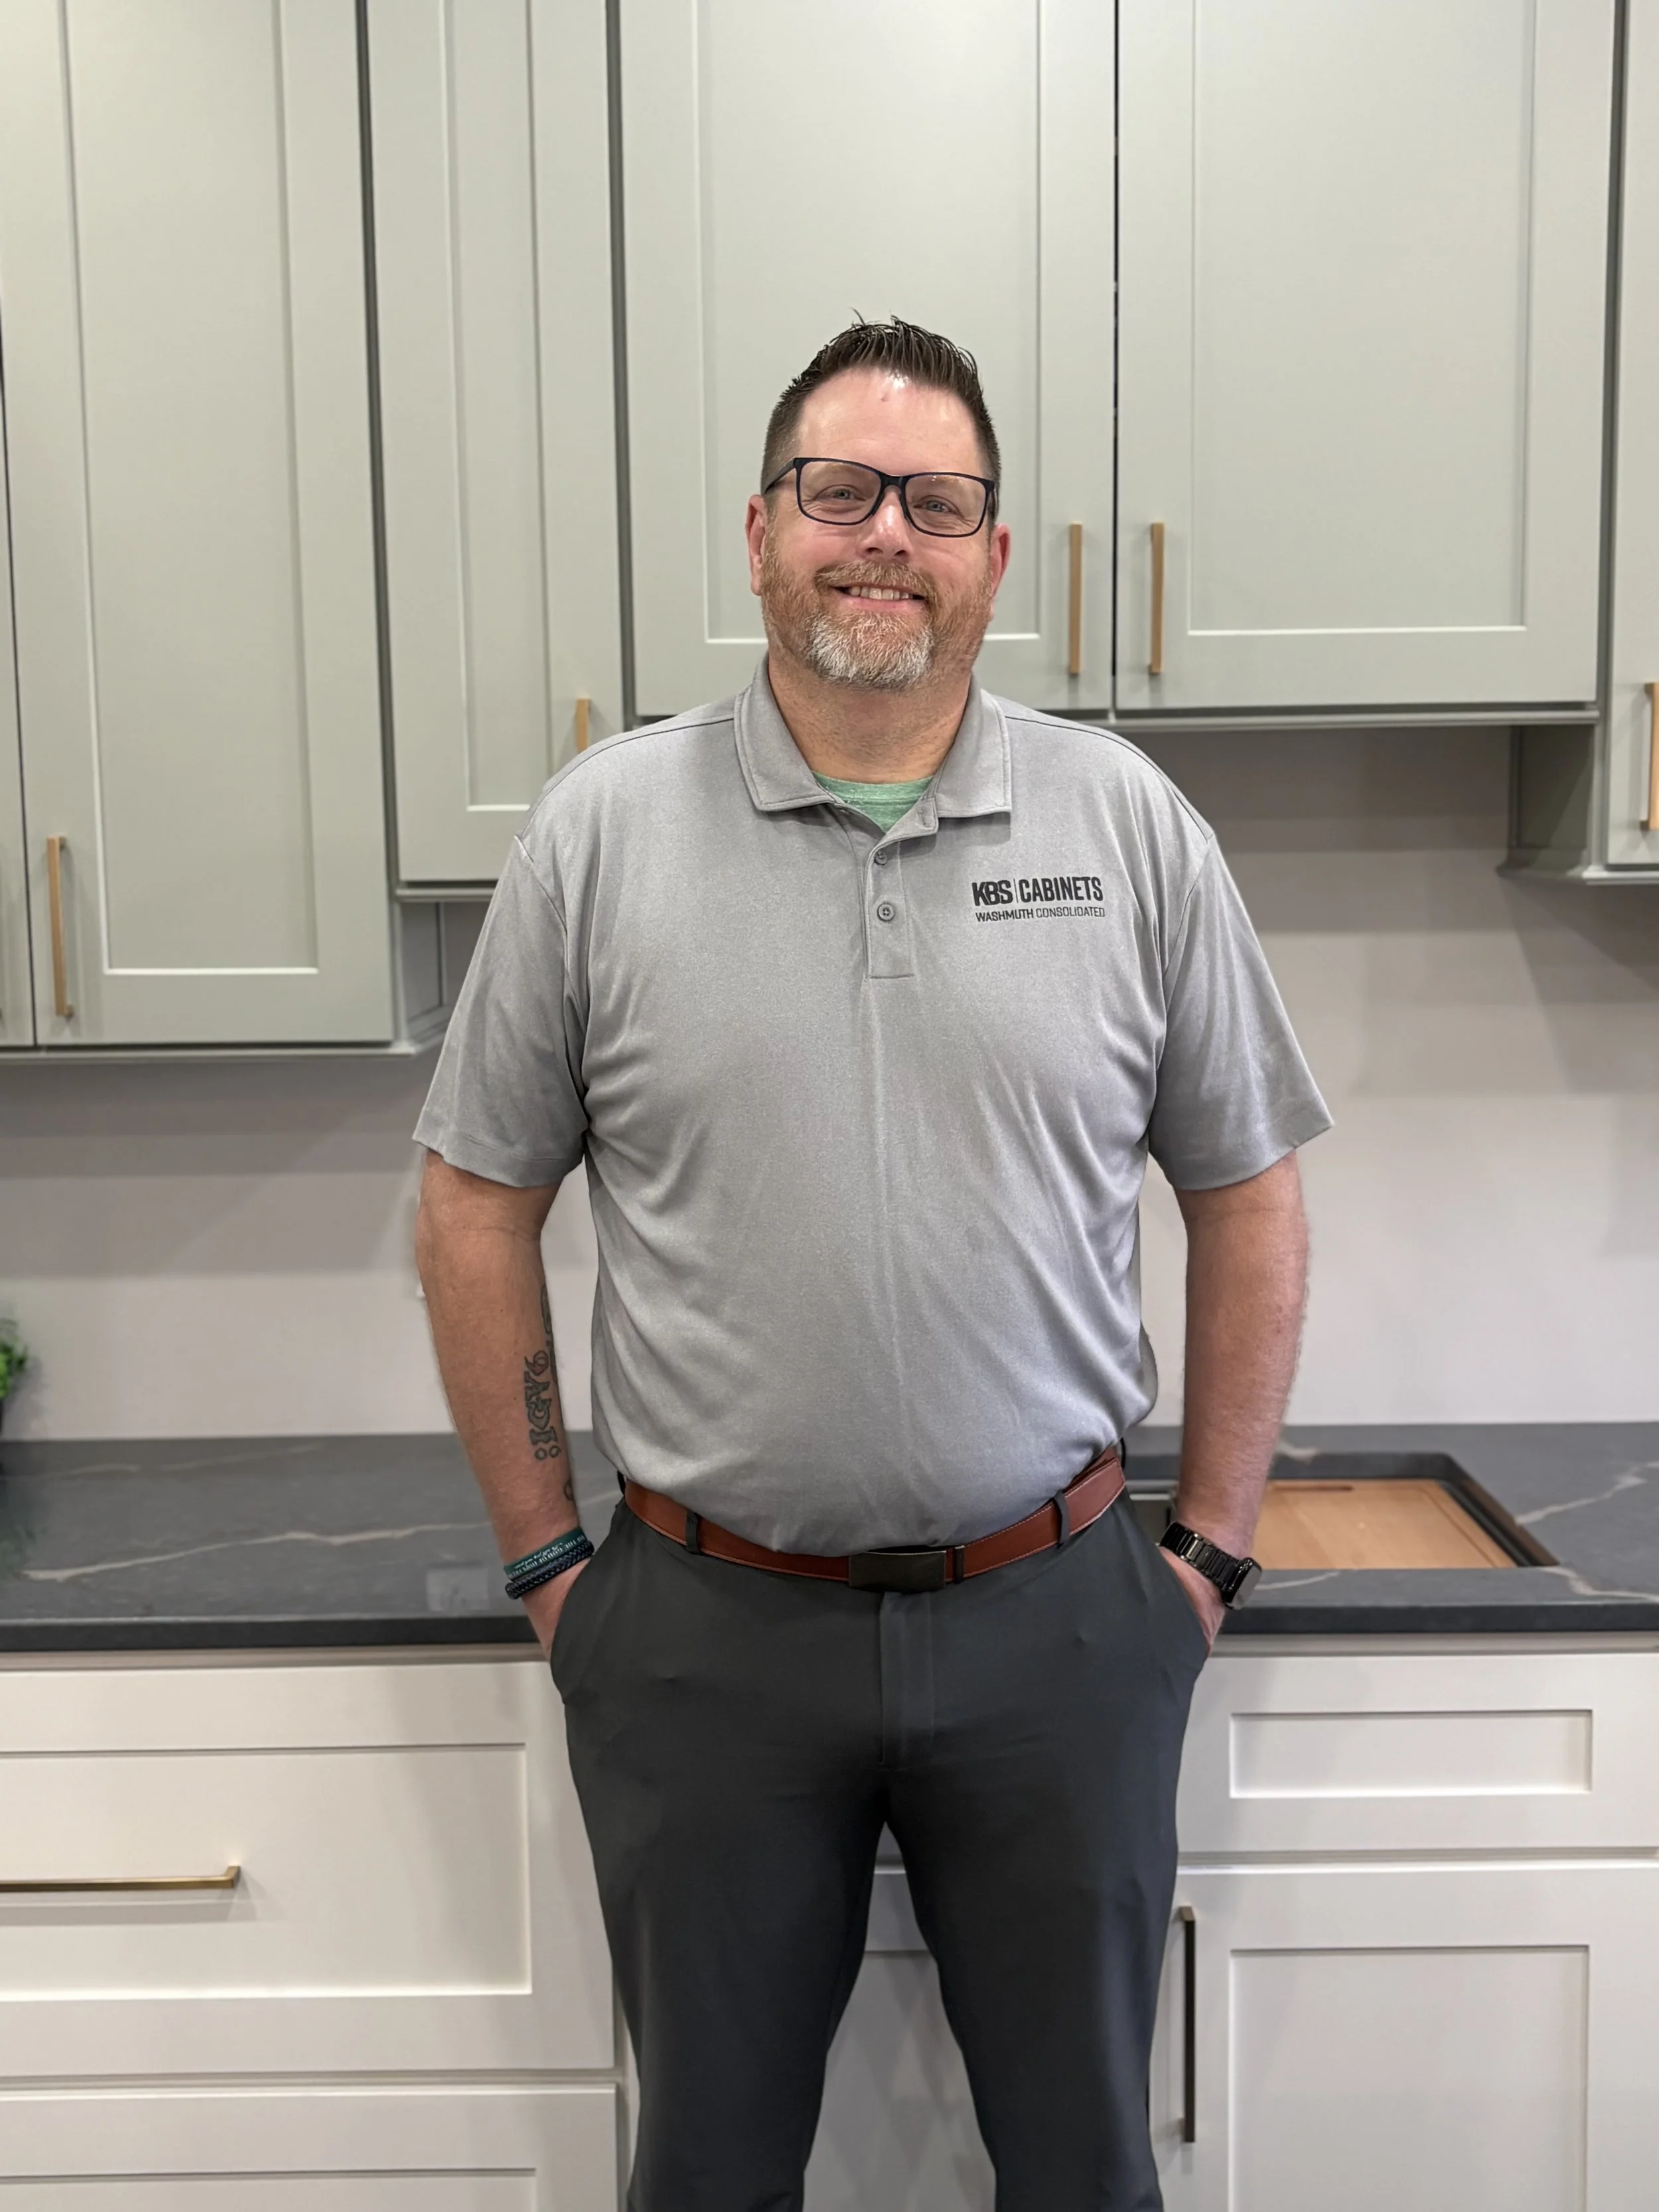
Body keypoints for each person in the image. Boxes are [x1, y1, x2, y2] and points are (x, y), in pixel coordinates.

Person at [414, 317, 1330, 2211]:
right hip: (699, 1637)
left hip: (1063, 1625)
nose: (883, 534)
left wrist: (1204, 1561)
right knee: (711, 2174)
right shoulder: (599, 838)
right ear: (758, 532)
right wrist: (546, 1569)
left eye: (936, 500)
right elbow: (470, 1200)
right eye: (840, 491)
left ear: (994, 554)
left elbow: (1247, 1186)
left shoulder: (1125, 825)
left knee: (1086, 2170)